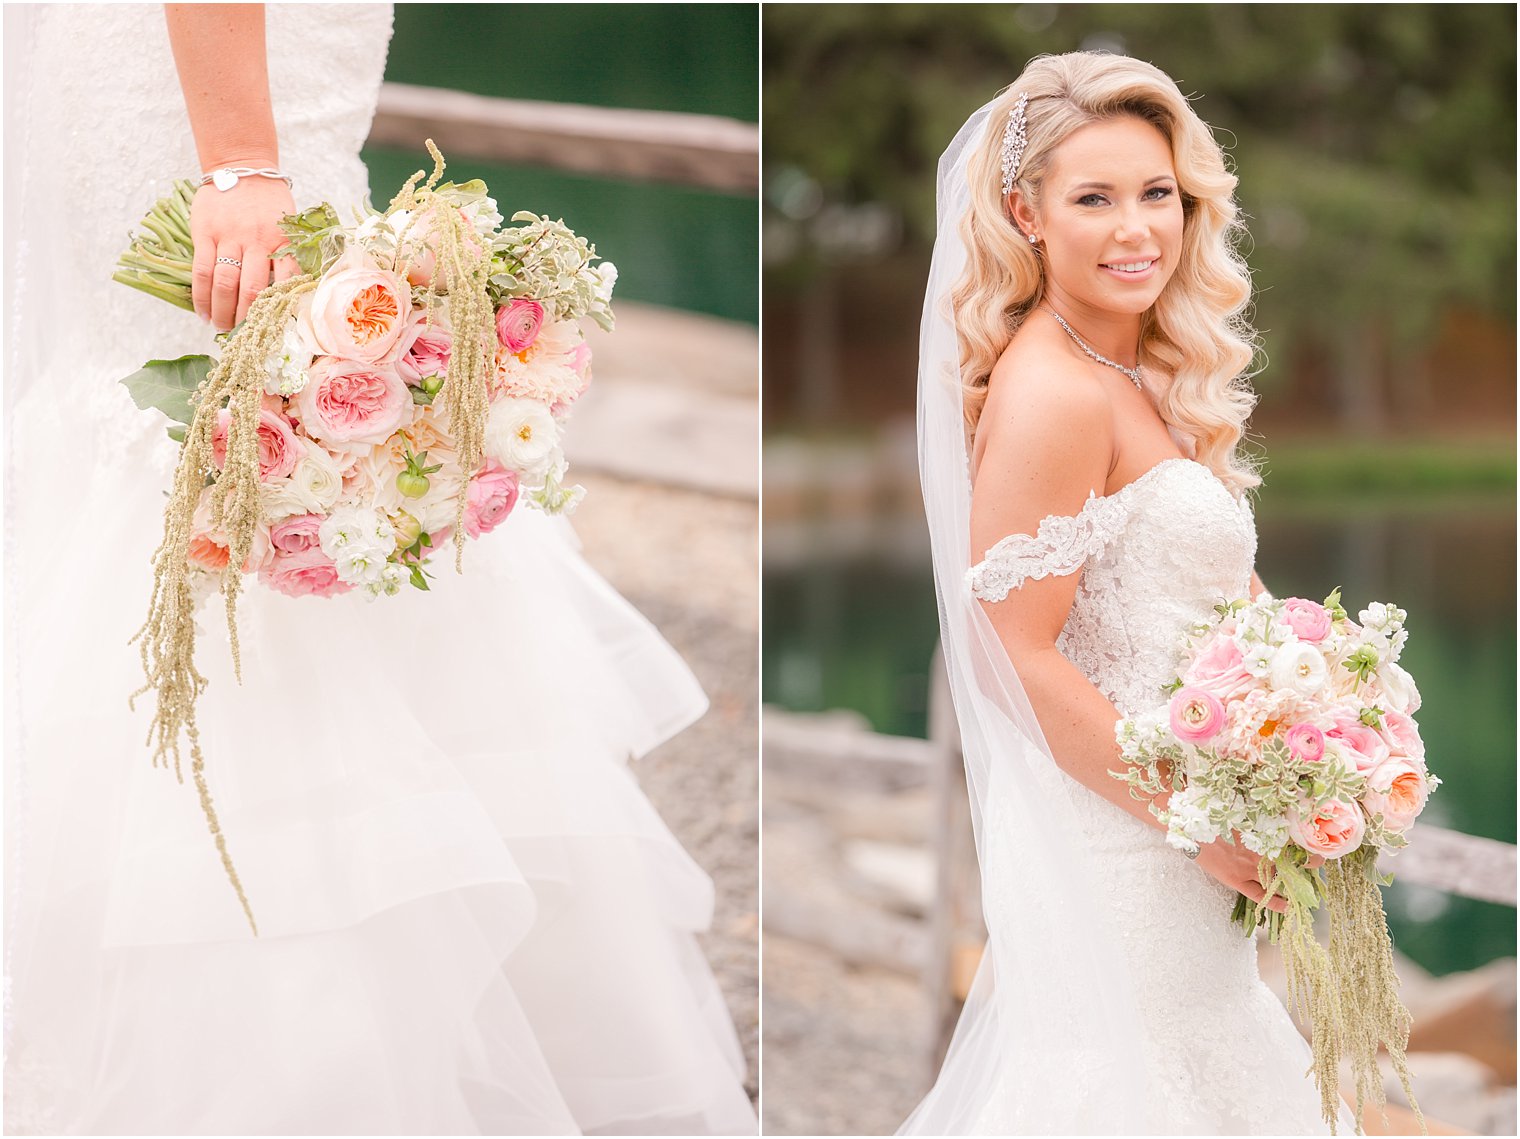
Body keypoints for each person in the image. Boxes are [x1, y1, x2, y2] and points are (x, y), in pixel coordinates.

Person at [2, 5, 756, 1134]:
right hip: (216, 93)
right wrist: (241, 158)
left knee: (267, 427)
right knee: (216, 416)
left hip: (256, 76)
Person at [900, 52, 1362, 1134]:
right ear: (1026, 212)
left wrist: (1324, 716)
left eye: (1155, 193)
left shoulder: (1131, 372)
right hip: (1123, 852)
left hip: (1182, 841)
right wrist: (1193, 820)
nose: (1135, 229)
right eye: (1093, 198)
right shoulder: (1055, 390)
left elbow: (1205, 606)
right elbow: (1005, 650)